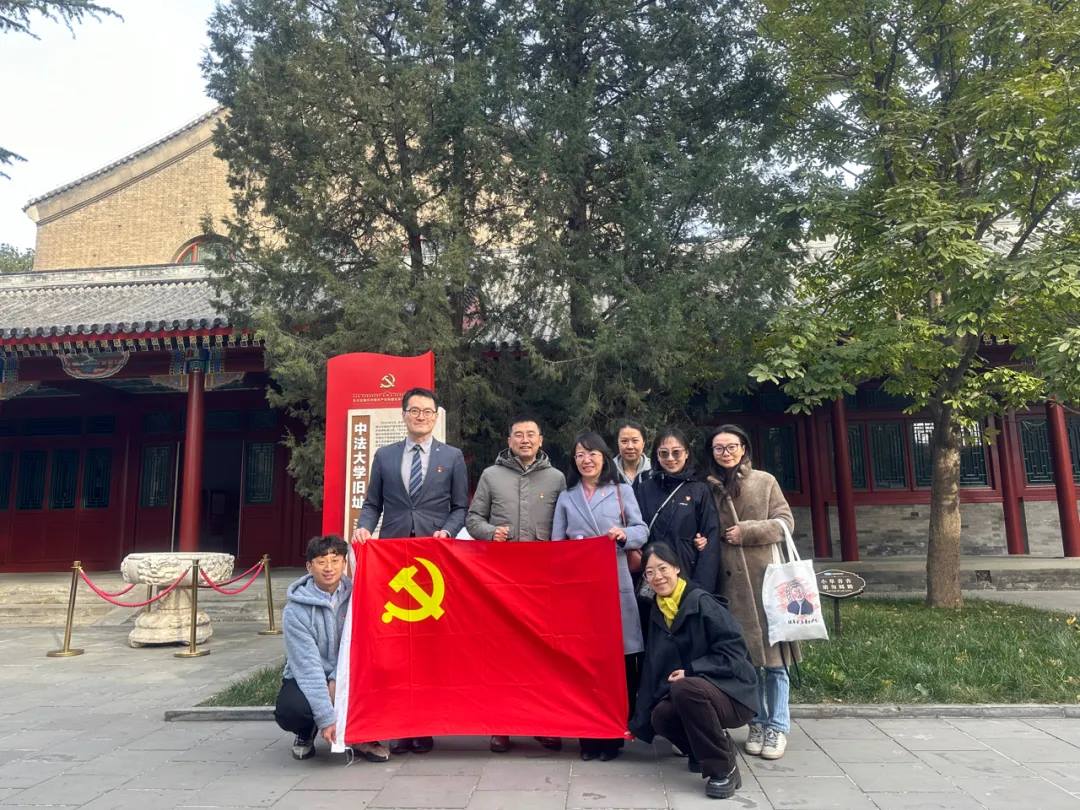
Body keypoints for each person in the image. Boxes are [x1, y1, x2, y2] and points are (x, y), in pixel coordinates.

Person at [352, 386, 469, 754]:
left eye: (427, 411)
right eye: (414, 411)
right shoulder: (385, 456)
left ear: (436, 416)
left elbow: (460, 507)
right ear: (404, 415)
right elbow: (372, 504)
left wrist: (447, 531)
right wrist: (363, 527)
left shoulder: (452, 457)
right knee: (399, 644)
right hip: (395, 560)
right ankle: (401, 723)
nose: (421, 417)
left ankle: (427, 723)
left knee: (432, 643)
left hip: (436, 561)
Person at [466, 416, 567, 753]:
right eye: (518, 435)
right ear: (508, 440)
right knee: (502, 653)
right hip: (500, 581)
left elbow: (565, 525)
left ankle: (544, 723)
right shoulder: (491, 475)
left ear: (541, 440)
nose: (525, 440)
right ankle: (501, 725)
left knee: (543, 654)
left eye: (531, 434)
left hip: (542, 582)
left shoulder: (557, 478)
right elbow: (472, 519)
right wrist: (489, 532)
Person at [629, 542, 758, 800]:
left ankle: (723, 770)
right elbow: (653, 667)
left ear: (676, 568)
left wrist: (691, 671)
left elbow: (735, 655)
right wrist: (640, 720)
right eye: (650, 572)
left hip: (733, 694)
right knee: (661, 716)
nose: (657, 577)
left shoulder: (702, 603)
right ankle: (709, 751)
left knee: (685, 688)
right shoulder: (658, 611)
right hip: (695, 693)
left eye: (662, 568)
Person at [552, 431, 649, 762]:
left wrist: (623, 534)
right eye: (580, 454)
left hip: (616, 582)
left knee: (617, 663)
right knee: (585, 664)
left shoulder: (621, 491)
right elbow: (557, 545)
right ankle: (588, 736)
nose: (586, 459)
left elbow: (641, 530)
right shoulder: (567, 497)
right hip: (581, 589)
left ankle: (613, 734)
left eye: (592, 453)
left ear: (604, 457)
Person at [705, 423, 797, 761]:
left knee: (776, 661)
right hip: (730, 585)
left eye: (732, 446)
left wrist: (748, 531)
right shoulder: (708, 487)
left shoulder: (764, 481)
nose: (726, 453)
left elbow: (785, 522)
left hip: (766, 581)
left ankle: (778, 725)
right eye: (719, 448)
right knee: (747, 662)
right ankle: (756, 722)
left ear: (743, 448)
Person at [274, 535, 389, 763]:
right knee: (292, 709)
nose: (329, 568)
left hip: (349, 673)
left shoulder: (358, 596)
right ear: (309, 566)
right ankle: (306, 730)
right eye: (321, 561)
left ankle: (362, 736)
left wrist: (338, 678)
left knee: (384, 678)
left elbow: (364, 645)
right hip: (310, 675)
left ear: (344, 563)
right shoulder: (295, 610)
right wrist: (326, 718)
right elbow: (307, 667)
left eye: (335, 561)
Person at [633, 427, 720, 592]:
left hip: (688, 572)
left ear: (686, 453)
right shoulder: (644, 488)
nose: (670, 458)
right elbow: (635, 527)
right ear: (657, 455)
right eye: (664, 453)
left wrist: (703, 588)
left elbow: (710, 538)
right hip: (653, 575)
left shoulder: (699, 489)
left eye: (676, 453)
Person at [614, 420, 651, 485]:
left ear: (643, 444)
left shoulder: (654, 470)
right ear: (618, 443)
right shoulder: (607, 471)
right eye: (624, 441)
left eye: (635, 441)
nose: (630, 446)